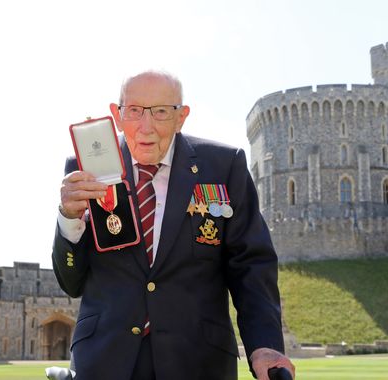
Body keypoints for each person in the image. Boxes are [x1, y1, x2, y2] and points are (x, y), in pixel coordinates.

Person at [53, 70, 295, 380]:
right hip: (104, 362)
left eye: (162, 112)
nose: (146, 126)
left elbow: (251, 265)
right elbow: (70, 282)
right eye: (135, 111)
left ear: (181, 117)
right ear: (117, 114)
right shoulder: (86, 168)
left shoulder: (224, 166)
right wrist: (68, 219)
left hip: (198, 363)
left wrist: (264, 344)